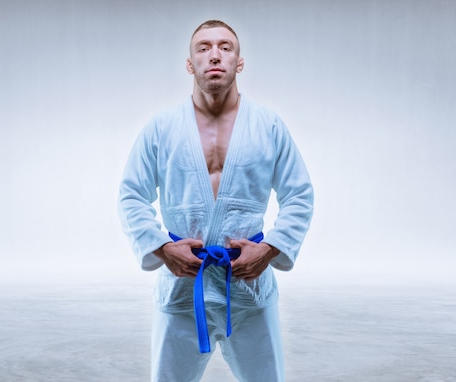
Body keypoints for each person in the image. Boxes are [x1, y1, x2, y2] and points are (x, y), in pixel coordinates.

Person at [118, 20, 313, 382]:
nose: (215, 55)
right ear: (190, 64)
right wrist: (162, 248)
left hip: (249, 285)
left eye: (225, 47)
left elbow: (299, 194)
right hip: (182, 287)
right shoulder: (161, 127)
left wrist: (269, 249)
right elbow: (131, 194)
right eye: (203, 47)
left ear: (239, 62)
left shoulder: (268, 125)